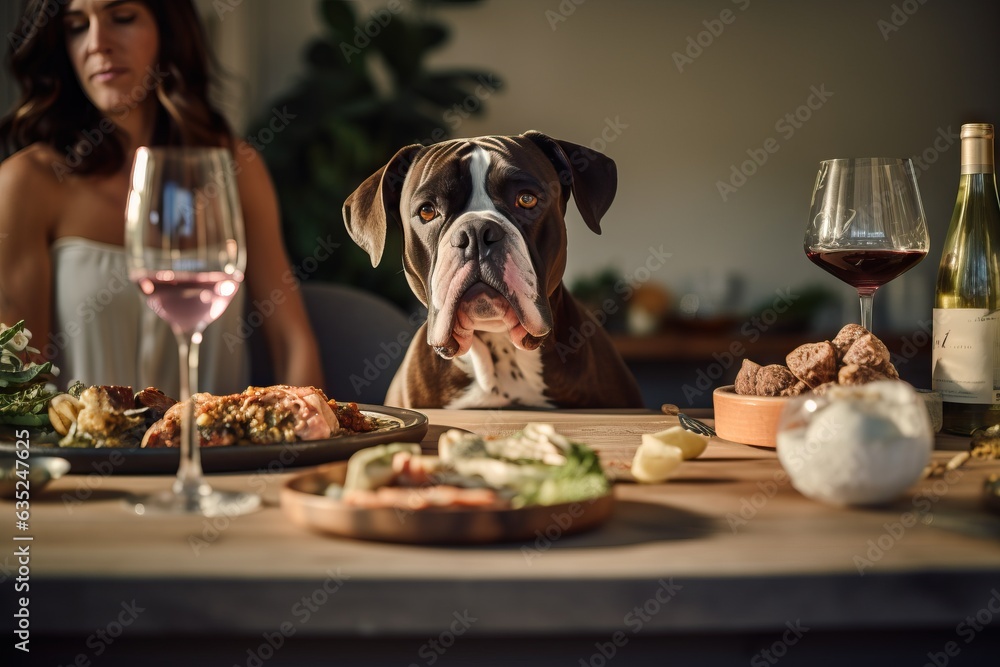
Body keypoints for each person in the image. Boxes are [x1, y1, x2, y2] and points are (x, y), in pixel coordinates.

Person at [0, 0, 325, 398]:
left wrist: (303, 449)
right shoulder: (28, 182)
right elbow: (19, 386)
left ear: (167, 30)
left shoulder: (233, 168)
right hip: (83, 457)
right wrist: (29, 463)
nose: (97, 43)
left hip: (220, 457)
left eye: (122, 17)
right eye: (76, 27)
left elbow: (292, 342)